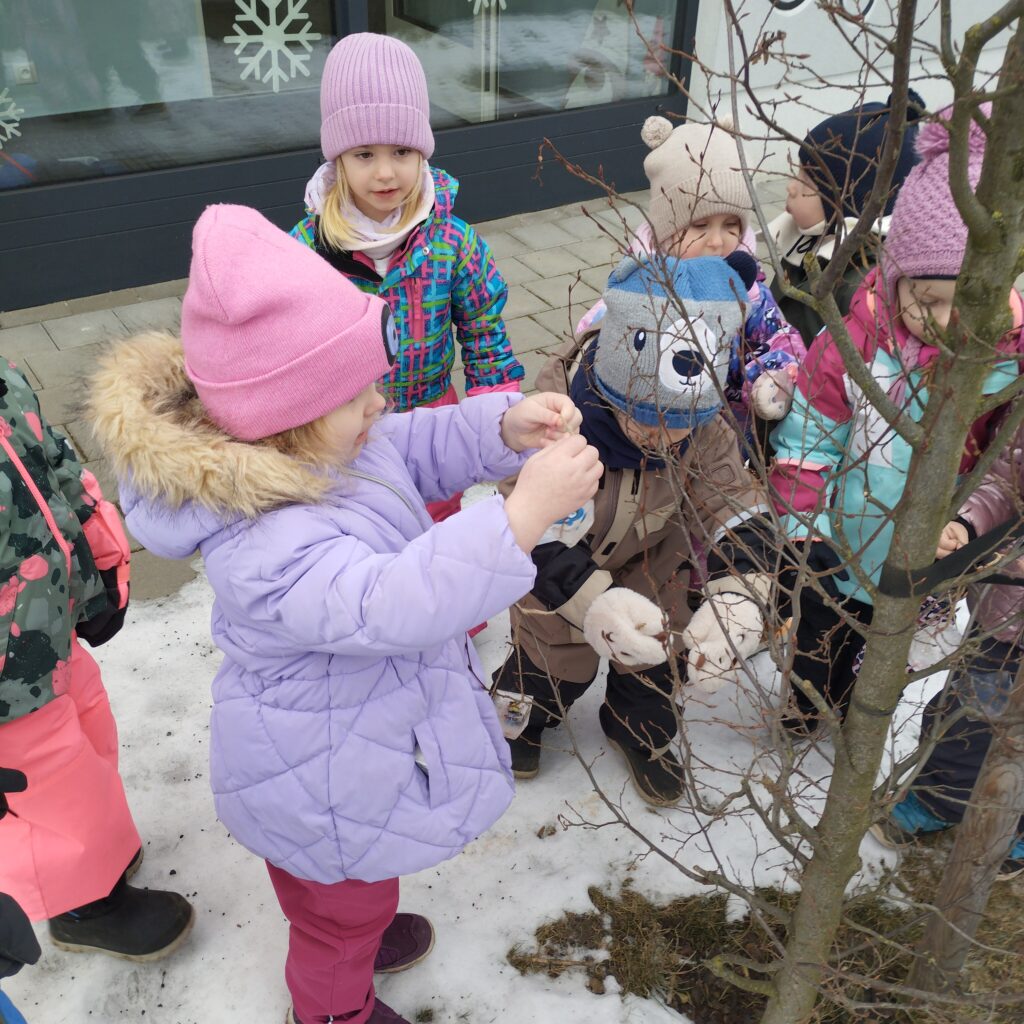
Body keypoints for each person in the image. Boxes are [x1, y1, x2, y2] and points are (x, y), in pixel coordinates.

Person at [88, 204, 601, 1024]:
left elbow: (413, 444)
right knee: (338, 912)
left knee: (350, 888)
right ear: (284, 417)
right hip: (318, 772)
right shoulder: (262, 541)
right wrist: (520, 519)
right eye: (356, 394)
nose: (378, 403)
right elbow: (387, 602)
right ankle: (333, 1006)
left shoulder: (332, 444)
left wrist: (501, 426)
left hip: (357, 748)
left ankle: (354, 923)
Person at [682, 108, 1024, 732]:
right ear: (894, 280)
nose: (943, 322)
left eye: (964, 303)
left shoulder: (1007, 362)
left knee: (881, 652)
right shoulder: (856, 345)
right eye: (925, 299)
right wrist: (805, 526)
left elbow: (1003, 462)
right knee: (819, 640)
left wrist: (965, 525)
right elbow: (811, 433)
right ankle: (803, 708)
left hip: (923, 552)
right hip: (838, 539)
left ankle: (854, 716)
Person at [493, 250, 778, 805]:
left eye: (679, 425)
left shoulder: (706, 431)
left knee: (654, 658)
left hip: (654, 561)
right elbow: (527, 528)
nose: (661, 438)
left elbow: (735, 503)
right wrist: (591, 601)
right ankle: (522, 719)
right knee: (550, 661)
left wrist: (742, 590)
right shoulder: (557, 421)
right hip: (559, 575)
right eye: (644, 419)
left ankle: (638, 728)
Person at [0, 360, 193, 960]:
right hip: (6, 684)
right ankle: (81, 905)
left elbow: (52, 459)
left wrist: (102, 556)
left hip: (47, 622)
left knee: (89, 738)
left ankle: (101, 850)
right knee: (47, 781)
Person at [290, 32, 524, 525]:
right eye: (364, 154)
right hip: (344, 431)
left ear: (423, 153)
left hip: (433, 421)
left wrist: (502, 419)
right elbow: (283, 346)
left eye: (401, 150)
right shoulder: (307, 248)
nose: (385, 173)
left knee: (434, 524)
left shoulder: (453, 242)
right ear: (338, 159)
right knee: (363, 527)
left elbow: (484, 334)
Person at [575, 114, 802, 436]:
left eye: (731, 225)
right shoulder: (641, 285)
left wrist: (769, 378)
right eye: (700, 226)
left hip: (723, 433)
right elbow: (609, 334)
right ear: (667, 231)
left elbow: (776, 338)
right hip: (644, 429)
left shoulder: (748, 292)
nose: (717, 241)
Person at [871, 420, 1024, 880]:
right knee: (969, 711)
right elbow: (1003, 481)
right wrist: (967, 523)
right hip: (1005, 618)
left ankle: (1015, 826)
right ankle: (938, 800)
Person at [767, 91, 926, 348]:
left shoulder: (862, 287)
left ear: (849, 202)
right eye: (798, 172)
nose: (791, 187)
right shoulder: (809, 238)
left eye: (807, 181)